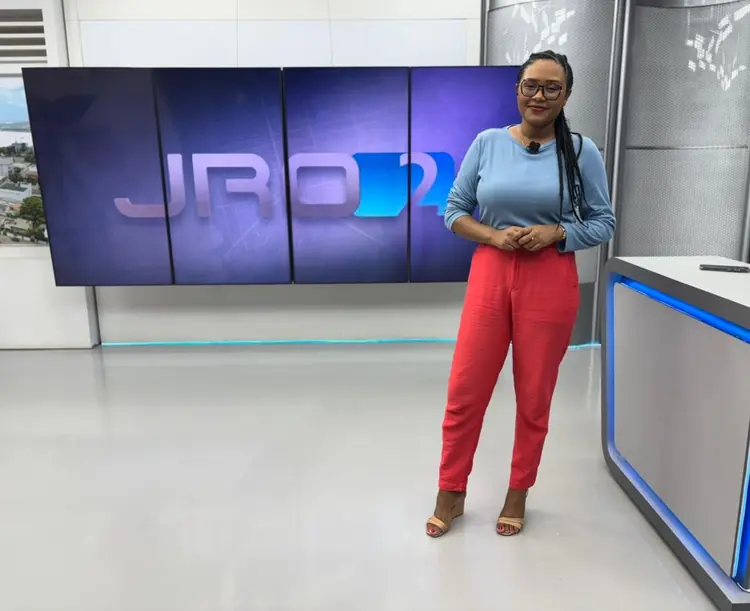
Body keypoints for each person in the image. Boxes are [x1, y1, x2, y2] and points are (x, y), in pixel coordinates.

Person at [425, 50, 616, 538]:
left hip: (550, 278)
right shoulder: (488, 143)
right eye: (531, 85)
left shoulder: (581, 151)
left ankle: (518, 492)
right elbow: (454, 210)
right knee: (465, 391)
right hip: (491, 273)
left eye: (552, 87)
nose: (539, 96)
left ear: (566, 96)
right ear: (517, 90)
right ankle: (451, 491)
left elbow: (603, 222)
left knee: (534, 397)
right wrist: (493, 236)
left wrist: (558, 232)